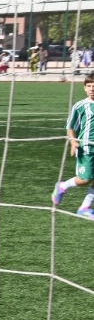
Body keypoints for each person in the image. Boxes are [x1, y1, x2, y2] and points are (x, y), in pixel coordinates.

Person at [52, 72, 94, 219]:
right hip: (87, 148)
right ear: (84, 88)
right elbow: (70, 126)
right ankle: (63, 186)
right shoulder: (80, 106)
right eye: (88, 86)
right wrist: (73, 141)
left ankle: (85, 207)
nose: (91, 88)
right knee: (85, 179)